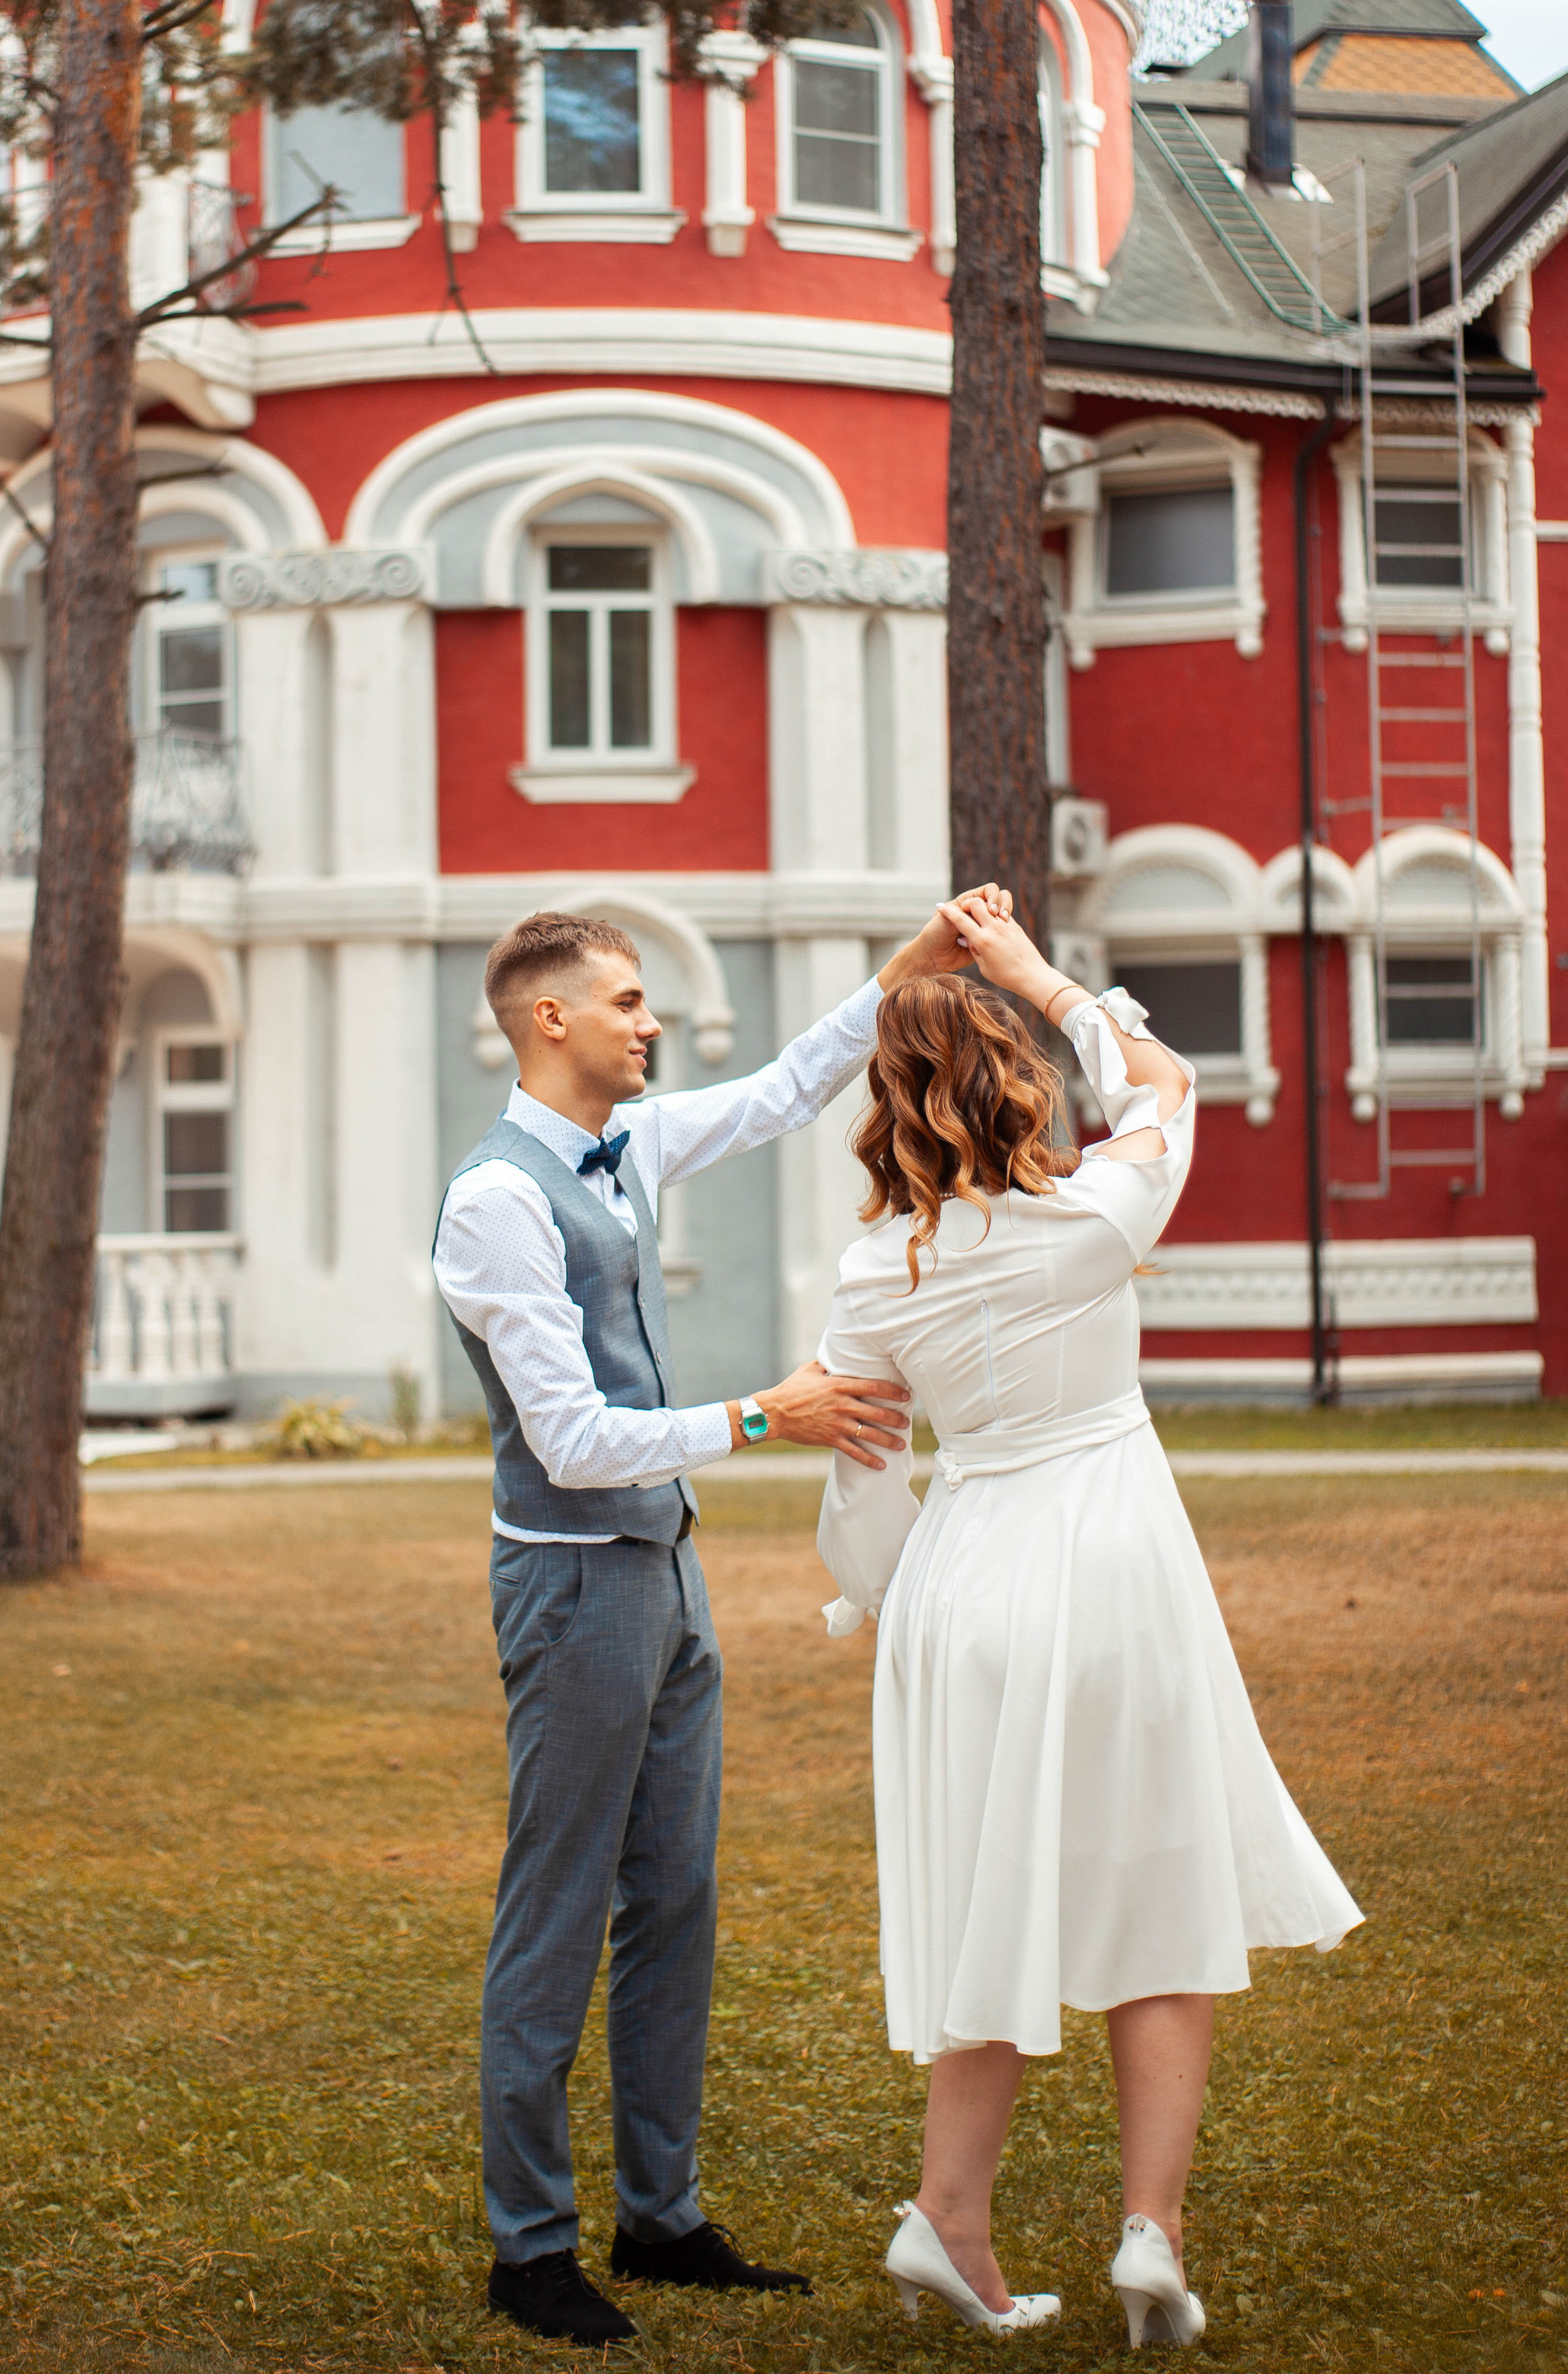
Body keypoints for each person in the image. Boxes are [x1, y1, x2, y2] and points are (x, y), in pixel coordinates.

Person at [433, 896, 1000, 2350]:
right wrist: (764, 1416)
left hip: (666, 1573)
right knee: (557, 1907)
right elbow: (570, 1441)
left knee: (675, 1898)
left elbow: (786, 1088)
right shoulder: (496, 1203)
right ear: (550, 1018)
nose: (652, 1020)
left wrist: (913, 967)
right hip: (573, 1583)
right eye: (627, 1001)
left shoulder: (625, 1146)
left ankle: (662, 2217)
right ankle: (531, 2250)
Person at [815, 896, 1363, 2349]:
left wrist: (889, 1602)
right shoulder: (1096, 1213)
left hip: (962, 1584)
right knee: (1158, 1887)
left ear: (887, 1108)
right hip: (1111, 1566)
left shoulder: (870, 1276)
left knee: (993, 1902)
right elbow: (1163, 1084)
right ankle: (1149, 2233)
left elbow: (862, 1481)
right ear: (1021, 1089)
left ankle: (949, 2215)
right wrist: (1041, 978)